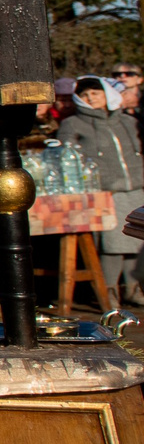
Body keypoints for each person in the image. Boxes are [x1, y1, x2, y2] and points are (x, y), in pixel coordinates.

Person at [61, 76, 144, 304]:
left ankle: (132, 288)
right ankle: (108, 292)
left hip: (137, 187)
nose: (91, 98)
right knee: (113, 245)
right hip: (106, 193)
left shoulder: (128, 121)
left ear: (106, 94)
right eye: (85, 95)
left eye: (95, 94)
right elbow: (66, 156)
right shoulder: (73, 124)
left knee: (137, 240)